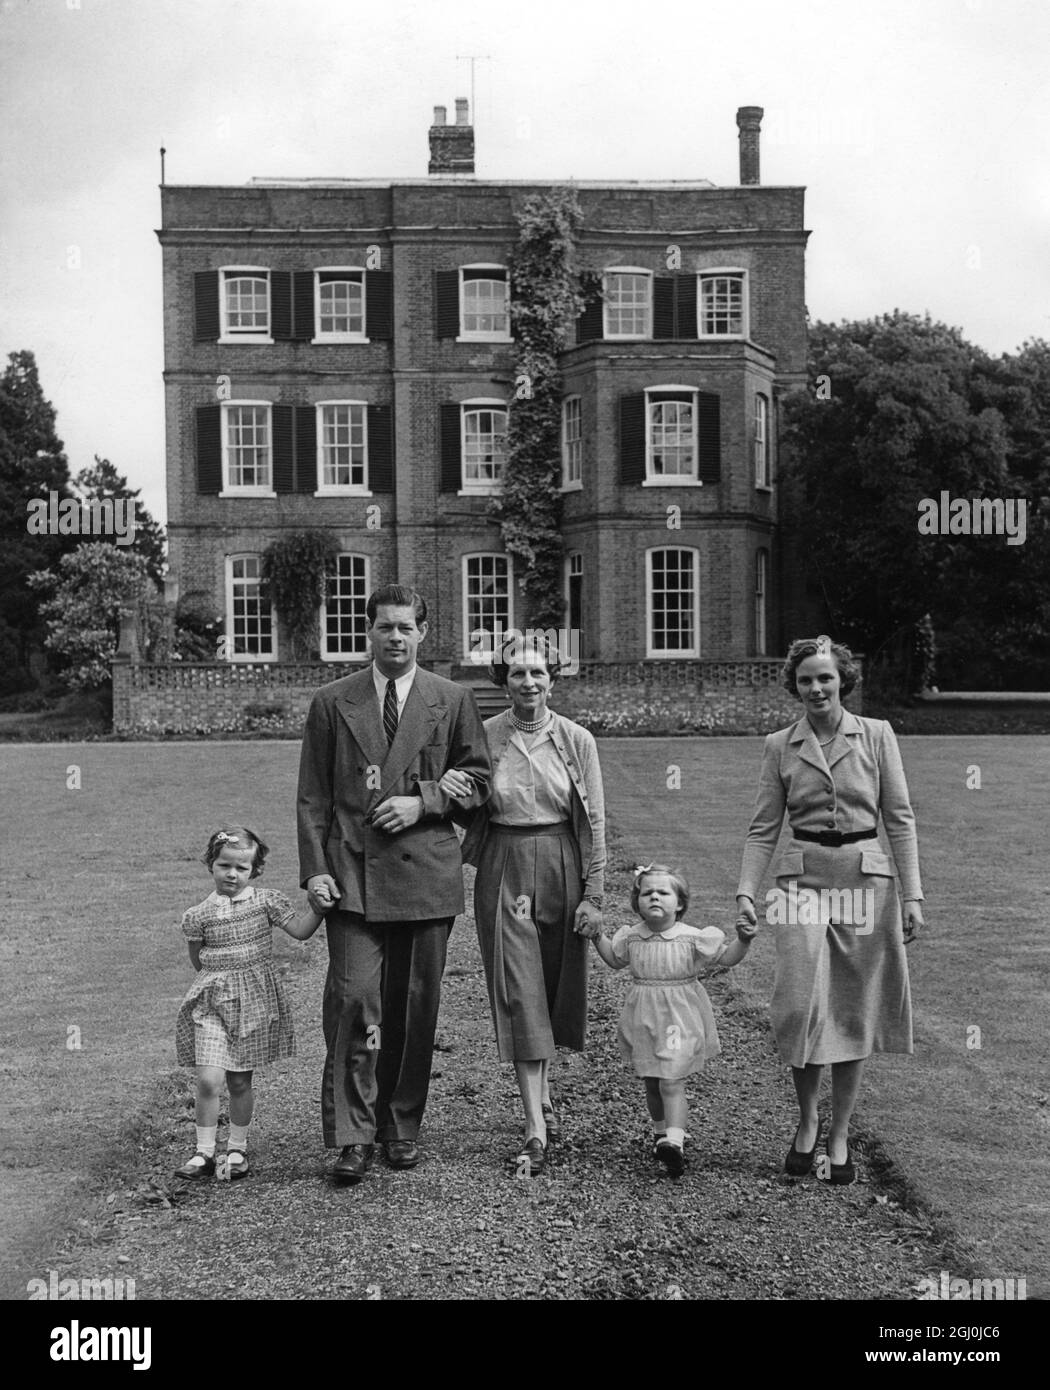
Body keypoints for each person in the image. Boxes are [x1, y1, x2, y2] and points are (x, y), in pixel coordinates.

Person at [297, 584, 491, 1184]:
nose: (396, 638)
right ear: (369, 632)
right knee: (355, 998)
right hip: (353, 874)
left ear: (424, 633)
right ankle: (353, 1134)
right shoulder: (333, 702)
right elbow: (313, 797)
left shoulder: (452, 699)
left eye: (406, 628)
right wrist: (316, 870)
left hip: (425, 875)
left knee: (413, 1007)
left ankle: (400, 1125)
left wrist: (422, 802)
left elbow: (479, 780)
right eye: (385, 628)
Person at [736, 635, 925, 1185]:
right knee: (799, 1002)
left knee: (851, 1006)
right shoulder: (780, 745)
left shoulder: (877, 736)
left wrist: (912, 894)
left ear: (843, 680)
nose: (816, 688)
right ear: (793, 686)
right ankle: (807, 1118)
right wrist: (747, 889)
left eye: (825, 678)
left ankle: (839, 1132)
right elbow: (763, 827)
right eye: (805, 680)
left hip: (866, 880)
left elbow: (901, 818)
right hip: (802, 882)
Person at [448, 635, 605, 1176]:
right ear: (503, 681)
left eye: (538, 673)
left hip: (562, 857)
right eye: (517, 674)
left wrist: (595, 894)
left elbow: (596, 821)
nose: (529, 683)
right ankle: (534, 1123)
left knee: (553, 984)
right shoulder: (485, 736)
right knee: (517, 989)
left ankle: (543, 1096)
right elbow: (465, 799)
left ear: (553, 679)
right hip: (505, 861)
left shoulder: (578, 739)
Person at [174, 826, 322, 1181]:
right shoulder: (198, 915)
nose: (232, 874)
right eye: (225, 865)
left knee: (240, 1082)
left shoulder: (265, 902)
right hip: (211, 1002)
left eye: (241, 868)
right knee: (209, 1080)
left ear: (254, 870)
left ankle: (237, 1148)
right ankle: (204, 1152)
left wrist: (319, 908)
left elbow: (301, 930)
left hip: (253, 1003)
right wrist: (221, 982)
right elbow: (200, 961)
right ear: (212, 864)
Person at [589, 863, 755, 1177]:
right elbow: (613, 959)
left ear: (679, 902)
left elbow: (726, 957)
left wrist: (743, 941)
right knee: (652, 1080)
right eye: (647, 892)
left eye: (663, 892)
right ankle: (660, 1132)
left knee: (671, 1079)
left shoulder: (692, 938)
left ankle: (675, 1141)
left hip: (679, 1017)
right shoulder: (632, 937)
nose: (654, 897)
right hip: (645, 1015)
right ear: (636, 901)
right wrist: (597, 936)